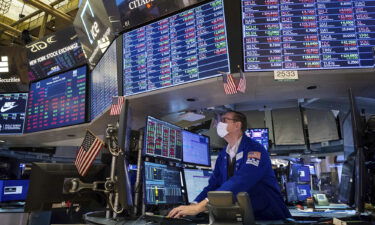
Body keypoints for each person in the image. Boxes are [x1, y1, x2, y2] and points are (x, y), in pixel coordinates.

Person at [168, 111, 291, 220]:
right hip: (245, 216)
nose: (218, 124)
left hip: (269, 217)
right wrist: (193, 206)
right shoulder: (223, 155)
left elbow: (241, 181)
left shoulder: (254, 150)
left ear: (237, 125)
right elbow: (213, 185)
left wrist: (200, 207)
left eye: (223, 120)